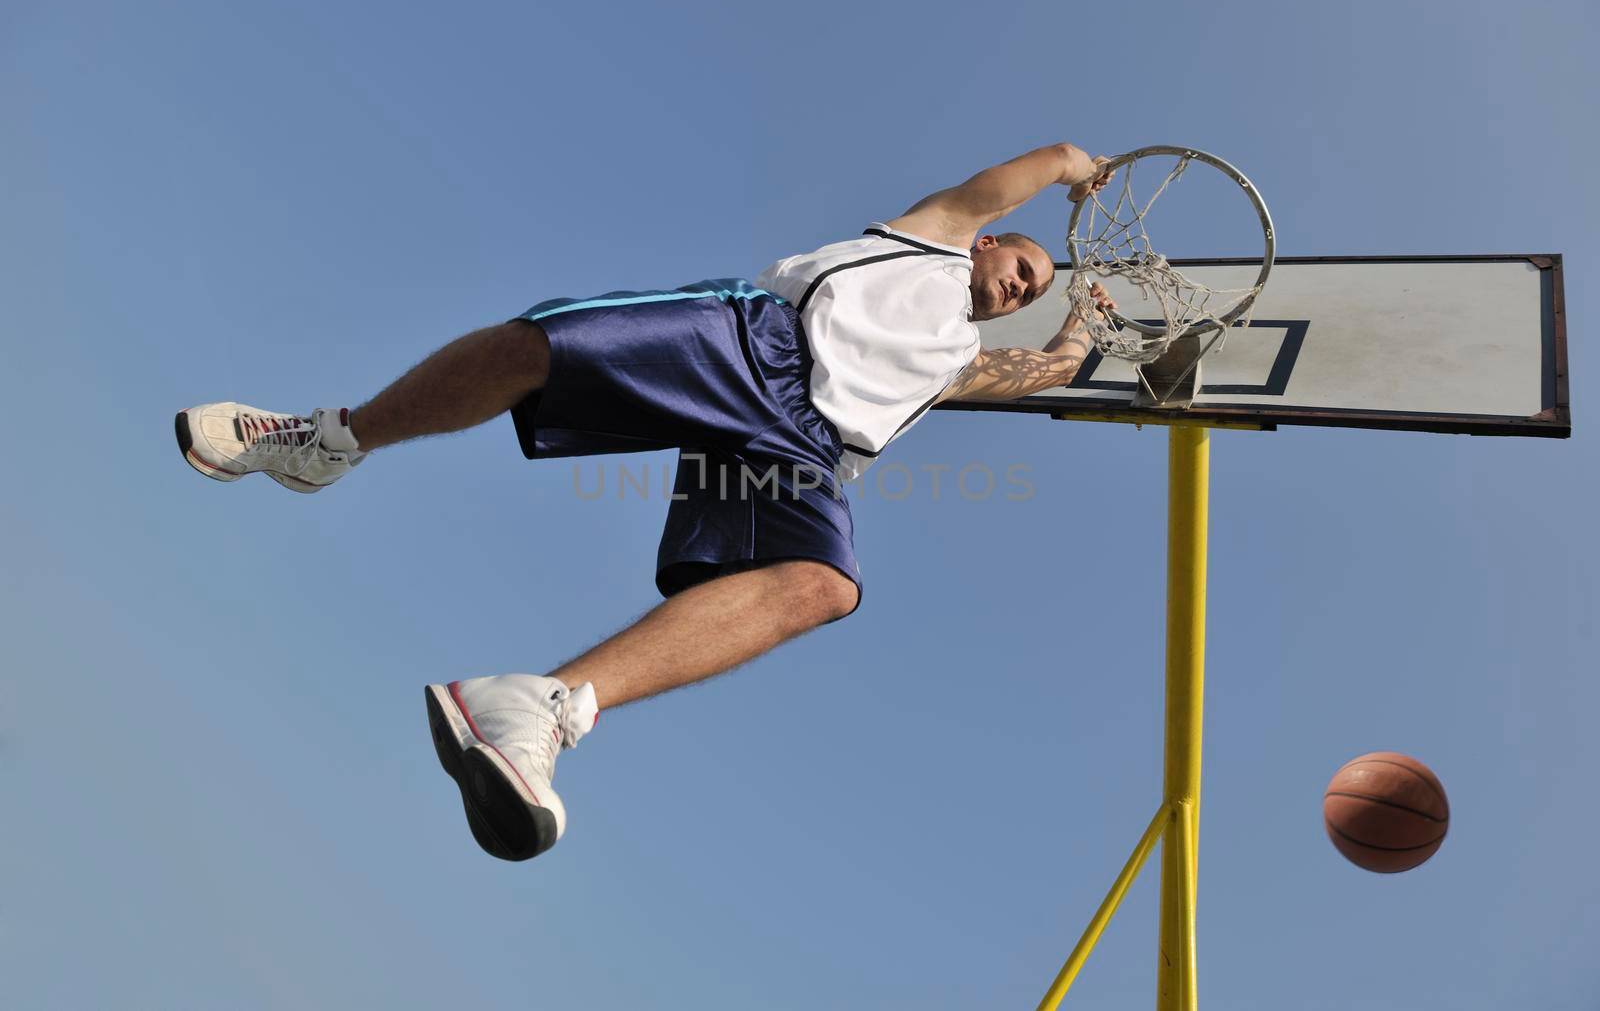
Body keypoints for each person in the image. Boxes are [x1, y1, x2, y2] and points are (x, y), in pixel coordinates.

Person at [175, 142, 1116, 861]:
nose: (1016, 288)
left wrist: (1084, 325)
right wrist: (1081, 170)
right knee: (531, 353)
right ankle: (328, 439)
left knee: (824, 584)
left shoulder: (958, 359)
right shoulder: (936, 235)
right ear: (988, 242)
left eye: (1028, 291)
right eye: (1019, 269)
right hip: (757, 345)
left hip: (805, 443)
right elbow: (1021, 174)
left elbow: (1044, 370)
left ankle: (542, 706)